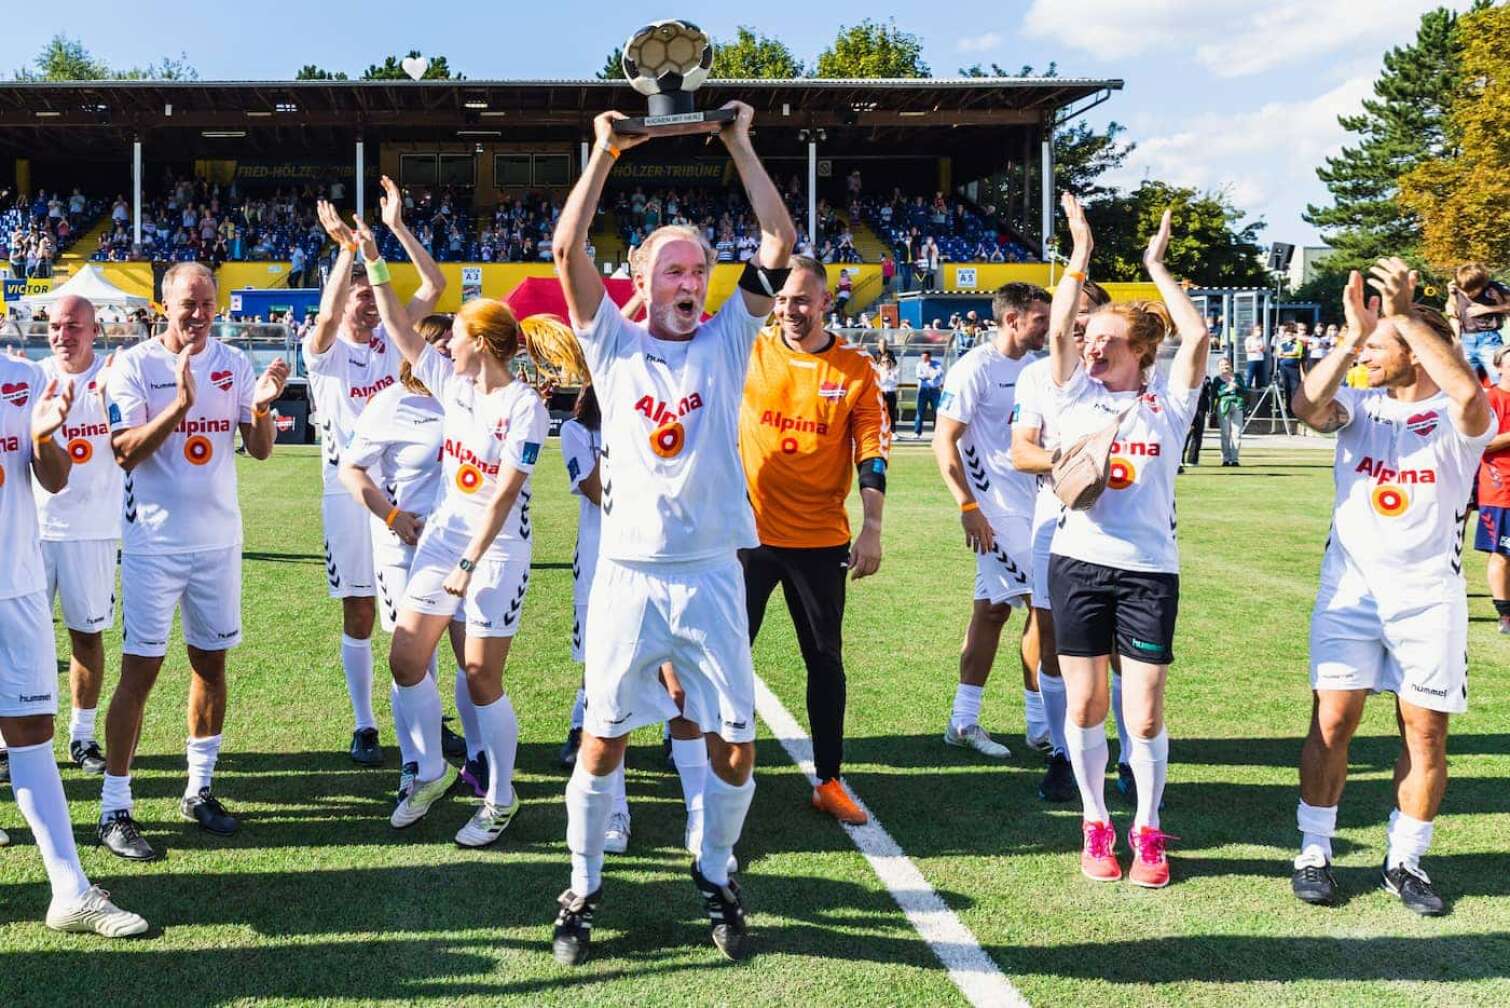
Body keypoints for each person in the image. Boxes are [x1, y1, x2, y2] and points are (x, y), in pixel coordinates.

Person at [548, 100, 795, 966]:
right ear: (642, 282)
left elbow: (779, 241)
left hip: (711, 576)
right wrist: (604, 154)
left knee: (734, 742)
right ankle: (579, 886)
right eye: (671, 271)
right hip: (627, 575)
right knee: (604, 736)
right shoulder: (610, 344)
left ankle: (716, 869)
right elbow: (565, 251)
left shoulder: (730, 341)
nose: (689, 283)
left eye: (698, 271)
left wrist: (737, 140)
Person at [1287, 259, 1492, 915]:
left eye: (1378, 348)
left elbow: (1468, 397)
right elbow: (1305, 405)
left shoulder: (1460, 418)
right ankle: (1314, 851)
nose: (1364, 357)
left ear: (1414, 351)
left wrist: (1403, 315)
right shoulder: (1359, 408)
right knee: (1332, 721)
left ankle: (1406, 861)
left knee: (1424, 734)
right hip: (1348, 596)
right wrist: (1353, 334)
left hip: (1428, 600)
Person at [352, 200, 549, 850]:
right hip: (441, 541)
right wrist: (376, 255)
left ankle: (501, 797)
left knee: (479, 674)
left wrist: (469, 562)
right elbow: (398, 328)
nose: (444, 342)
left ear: (483, 344)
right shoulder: (453, 385)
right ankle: (432, 769)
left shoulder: (524, 408)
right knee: (406, 656)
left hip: (494, 554)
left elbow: (504, 495)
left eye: (458, 334)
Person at [97, 261, 290, 861]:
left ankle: (199, 789)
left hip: (217, 545)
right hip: (153, 546)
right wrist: (180, 404)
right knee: (140, 673)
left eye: (208, 303)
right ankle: (113, 807)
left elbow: (257, 452)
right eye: (189, 304)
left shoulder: (233, 363)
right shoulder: (133, 365)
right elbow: (124, 452)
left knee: (211, 666)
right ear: (163, 305)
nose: (200, 314)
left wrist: (262, 406)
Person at [1045, 195, 1208, 890]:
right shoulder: (1071, 396)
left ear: (1142, 350)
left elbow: (1196, 339)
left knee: (1141, 711)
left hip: (1147, 572)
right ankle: (1094, 822)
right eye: (1091, 336)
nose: (1093, 344)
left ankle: (1146, 827)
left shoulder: (1167, 403)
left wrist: (1154, 265)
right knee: (1085, 707)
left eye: (1108, 338)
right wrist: (1079, 256)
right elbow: (1057, 333)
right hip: (1078, 563)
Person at [0, 349, 148, 936]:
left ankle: (70, 892)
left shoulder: (25, 378)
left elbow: (56, 478)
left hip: (18, 586)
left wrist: (41, 440)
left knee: (31, 729)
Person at [740, 256, 890, 824]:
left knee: (824, 660)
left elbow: (872, 453)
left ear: (826, 301)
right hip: (747, 536)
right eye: (781, 300)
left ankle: (828, 778)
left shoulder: (855, 370)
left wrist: (871, 527)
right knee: (726, 655)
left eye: (801, 300)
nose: (789, 310)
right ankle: (703, 758)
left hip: (821, 541)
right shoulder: (750, 353)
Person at [309, 183, 444, 767]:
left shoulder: (396, 339)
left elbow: (435, 287)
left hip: (407, 495)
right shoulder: (323, 349)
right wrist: (346, 253)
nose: (366, 305)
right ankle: (365, 724)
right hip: (349, 496)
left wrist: (392, 231)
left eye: (372, 296)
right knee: (360, 611)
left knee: (423, 612)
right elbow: (324, 318)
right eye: (356, 299)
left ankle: (432, 720)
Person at [337, 314, 478, 805]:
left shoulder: (472, 400)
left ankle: (477, 761)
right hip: (404, 550)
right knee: (413, 658)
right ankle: (417, 763)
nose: (446, 354)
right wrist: (392, 515)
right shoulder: (390, 403)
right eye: (436, 344)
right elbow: (351, 470)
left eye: (451, 344)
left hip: (464, 552)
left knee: (472, 659)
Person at [933, 283, 1050, 759]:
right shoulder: (974, 369)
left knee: (993, 612)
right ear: (1013, 320)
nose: (1047, 326)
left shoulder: (1036, 369)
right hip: (995, 515)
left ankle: (963, 721)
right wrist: (968, 508)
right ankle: (1042, 725)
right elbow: (945, 442)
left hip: (1035, 508)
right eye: (1040, 318)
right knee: (1047, 606)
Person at [1010, 278, 1114, 802]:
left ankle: (1119, 748)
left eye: (1084, 312)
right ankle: (1061, 750)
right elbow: (1022, 452)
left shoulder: (1127, 377)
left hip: (1122, 529)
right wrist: (1070, 465)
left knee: (1118, 648)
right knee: (1051, 637)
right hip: (1055, 522)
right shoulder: (1037, 377)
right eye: (1065, 314)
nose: (1073, 321)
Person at [28, 296, 120, 774]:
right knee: (20, 640)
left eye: (75, 327)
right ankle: (10, 740)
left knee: (86, 637)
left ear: (94, 330)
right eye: (57, 327)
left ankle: (81, 737)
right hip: (32, 531)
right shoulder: (33, 380)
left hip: (93, 531)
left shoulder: (115, 375)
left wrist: (117, 385)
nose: (65, 335)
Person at [1475, 346, 1510, 634]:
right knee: (1502, 553)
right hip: (1501, 489)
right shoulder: (1491, 399)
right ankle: (1505, 613)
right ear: (1499, 367)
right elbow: (1480, 443)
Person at [1447, 263, 1509, 383]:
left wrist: (1488, 309)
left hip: (1488, 338)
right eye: (1463, 291)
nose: (1467, 294)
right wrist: (1455, 339)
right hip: (1465, 339)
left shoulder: (1494, 288)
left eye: (1471, 291)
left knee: (1499, 377)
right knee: (1467, 380)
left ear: (1481, 285)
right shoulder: (1457, 287)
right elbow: (1453, 311)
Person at [1212, 357, 1248, 466]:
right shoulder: (1217, 379)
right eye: (1222, 365)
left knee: (1237, 432)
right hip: (1224, 405)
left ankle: (1235, 458)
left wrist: (1236, 385)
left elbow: (1245, 390)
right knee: (1225, 432)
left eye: (1226, 364)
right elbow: (1215, 394)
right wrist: (1226, 390)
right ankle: (1226, 459)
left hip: (1237, 404)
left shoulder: (1237, 377)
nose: (1224, 367)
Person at [1182, 370, 1212, 467]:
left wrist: (1209, 410)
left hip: (1201, 408)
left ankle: (1193, 460)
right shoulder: (1184, 377)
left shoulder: (1206, 379)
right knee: (1185, 434)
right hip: (1187, 408)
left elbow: (1209, 395)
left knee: (1198, 434)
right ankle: (1179, 458)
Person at [912, 350, 943, 438]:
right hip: (923, 390)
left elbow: (939, 374)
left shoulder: (936, 364)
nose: (923, 359)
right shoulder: (919, 365)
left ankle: (938, 433)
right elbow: (919, 376)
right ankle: (917, 432)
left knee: (937, 412)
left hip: (935, 391)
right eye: (922, 357)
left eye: (925, 357)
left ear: (929, 357)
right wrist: (930, 375)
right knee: (920, 411)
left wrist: (930, 369)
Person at [1276, 323, 1305, 414]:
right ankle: (1288, 408)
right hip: (1284, 368)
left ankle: (1295, 408)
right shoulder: (1281, 343)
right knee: (1286, 388)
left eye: (1291, 334)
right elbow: (1279, 354)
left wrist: (1285, 353)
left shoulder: (1298, 343)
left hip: (1294, 368)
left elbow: (1296, 352)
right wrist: (1288, 353)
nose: (1289, 336)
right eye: (1287, 334)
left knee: (1295, 388)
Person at [875, 348, 900, 429]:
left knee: (891, 413)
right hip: (882, 393)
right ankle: (882, 431)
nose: (886, 362)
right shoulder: (878, 368)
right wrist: (886, 372)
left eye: (887, 360)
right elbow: (881, 381)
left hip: (891, 393)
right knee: (881, 413)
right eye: (884, 361)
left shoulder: (895, 369)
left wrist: (890, 372)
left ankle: (892, 431)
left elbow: (895, 381)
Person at [1242, 323, 1267, 390]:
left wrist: (1262, 349)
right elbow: (1247, 349)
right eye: (1257, 330)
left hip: (1260, 359)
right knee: (1250, 374)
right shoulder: (1249, 339)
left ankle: (1258, 387)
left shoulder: (1261, 339)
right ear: (1253, 331)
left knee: (1259, 375)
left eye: (1260, 329)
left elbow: (1264, 348)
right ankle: (1248, 388)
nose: (1259, 331)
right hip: (1252, 359)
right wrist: (1256, 349)